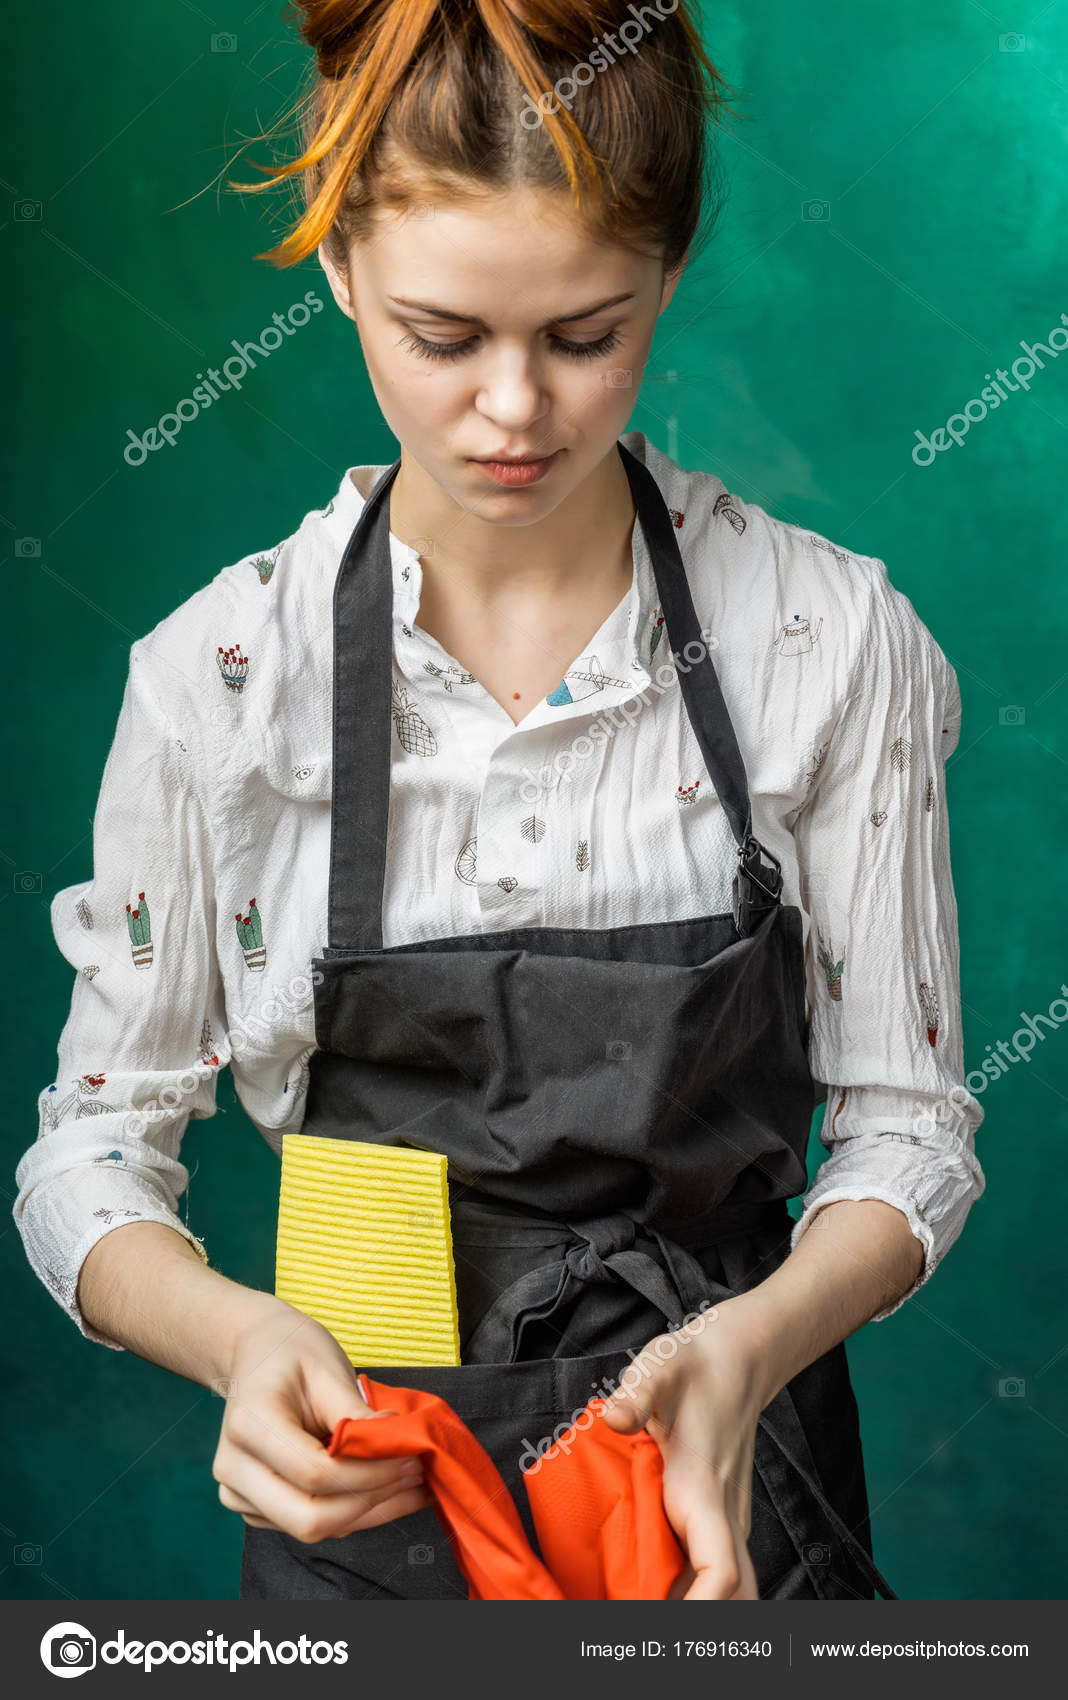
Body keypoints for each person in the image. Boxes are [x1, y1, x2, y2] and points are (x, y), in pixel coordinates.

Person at [13, 0, 985, 1603]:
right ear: (340, 276)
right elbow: (91, 1158)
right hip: (373, 1505)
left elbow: (910, 1129)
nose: (515, 411)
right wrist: (238, 1338)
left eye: (586, 334)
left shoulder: (828, 642)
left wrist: (746, 1350)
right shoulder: (222, 678)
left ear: (667, 276)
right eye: (443, 337)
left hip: (725, 1510)